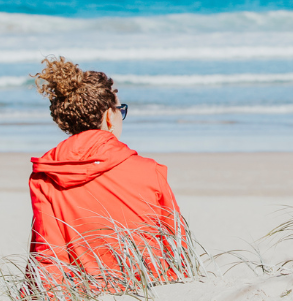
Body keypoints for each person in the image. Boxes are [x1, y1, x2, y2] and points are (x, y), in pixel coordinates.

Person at [26, 56, 196, 297]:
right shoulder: (149, 171)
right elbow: (176, 245)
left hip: (86, 292)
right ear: (108, 116)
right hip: (147, 288)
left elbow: (48, 254)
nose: (120, 116)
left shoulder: (46, 177)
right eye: (120, 109)